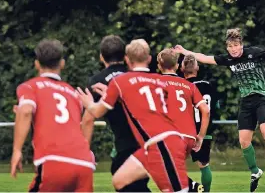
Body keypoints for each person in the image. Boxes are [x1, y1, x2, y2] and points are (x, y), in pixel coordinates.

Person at [174, 28, 265, 192]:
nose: (234, 49)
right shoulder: (227, 59)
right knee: (244, 142)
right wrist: (183, 51)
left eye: (236, 46)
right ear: (227, 48)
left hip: (262, 99)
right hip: (246, 102)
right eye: (231, 46)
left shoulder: (254, 52)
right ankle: (255, 171)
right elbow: (203, 57)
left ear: (241, 45)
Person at [77, 39, 197, 192]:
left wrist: (88, 102)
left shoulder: (120, 82)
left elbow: (96, 111)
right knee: (120, 180)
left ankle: (191, 187)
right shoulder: (159, 81)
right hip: (155, 144)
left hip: (162, 143)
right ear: (149, 59)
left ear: (127, 59)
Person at [11, 39, 94, 192]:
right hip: (84, 162)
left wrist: (17, 150)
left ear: (37, 64)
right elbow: (80, 119)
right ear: (62, 63)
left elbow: (27, 111)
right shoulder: (74, 94)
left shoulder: (30, 86)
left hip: (54, 159)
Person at [81, 35, 150, 192]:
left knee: (123, 182)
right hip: (147, 141)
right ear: (125, 57)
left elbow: (88, 119)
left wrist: (84, 151)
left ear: (101, 57)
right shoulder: (136, 75)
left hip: (127, 145)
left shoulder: (97, 81)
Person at [157, 49, 210, 192]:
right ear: (176, 66)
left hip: (172, 137)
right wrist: (200, 137)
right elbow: (205, 110)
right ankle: (189, 187)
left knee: (164, 172)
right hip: (190, 137)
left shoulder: (156, 82)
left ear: (159, 66)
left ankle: (194, 187)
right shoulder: (189, 85)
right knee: (170, 175)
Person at [181, 54, 219, 192]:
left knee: (173, 164)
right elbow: (215, 108)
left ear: (182, 68)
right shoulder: (208, 86)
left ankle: (192, 187)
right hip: (205, 129)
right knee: (204, 165)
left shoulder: (182, 86)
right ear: (197, 67)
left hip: (186, 131)